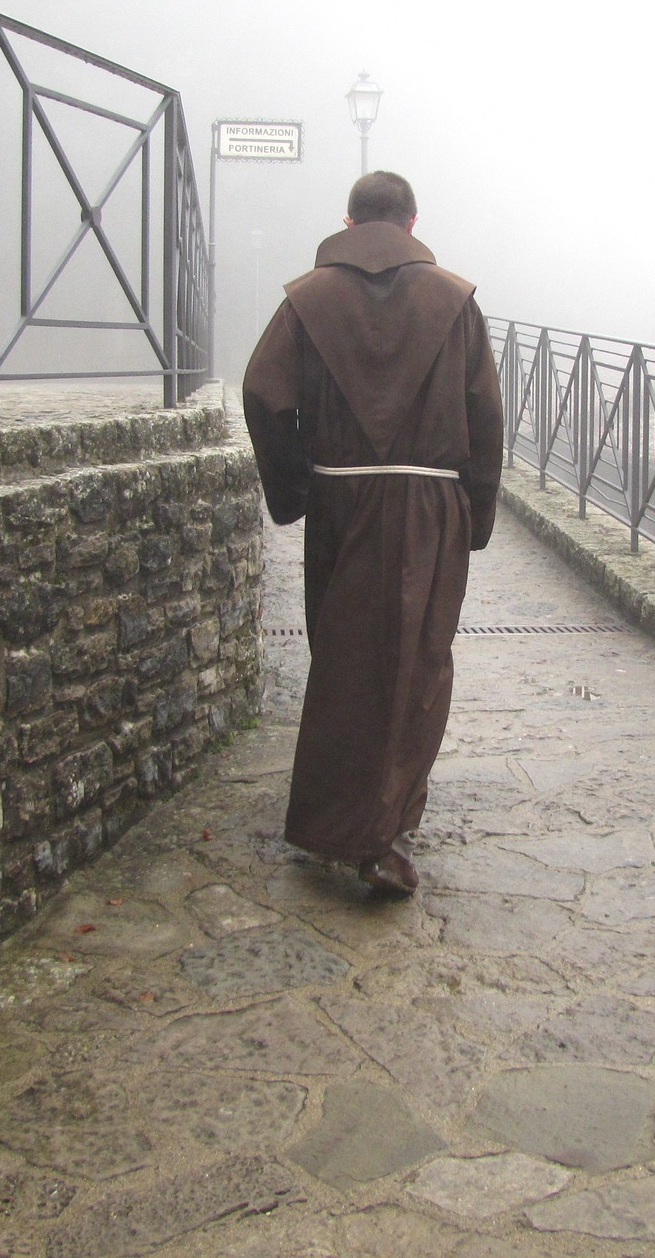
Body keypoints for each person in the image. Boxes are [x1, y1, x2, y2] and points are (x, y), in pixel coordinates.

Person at [243, 171, 503, 895]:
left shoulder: (307, 300)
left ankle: (360, 822)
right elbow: (485, 414)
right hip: (430, 505)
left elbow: (264, 395)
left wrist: (296, 487)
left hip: (341, 499)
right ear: (412, 223)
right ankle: (378, 834)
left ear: (350, 220)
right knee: (416, 663)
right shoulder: (457, 301)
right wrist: (476, 516)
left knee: (345, 657)